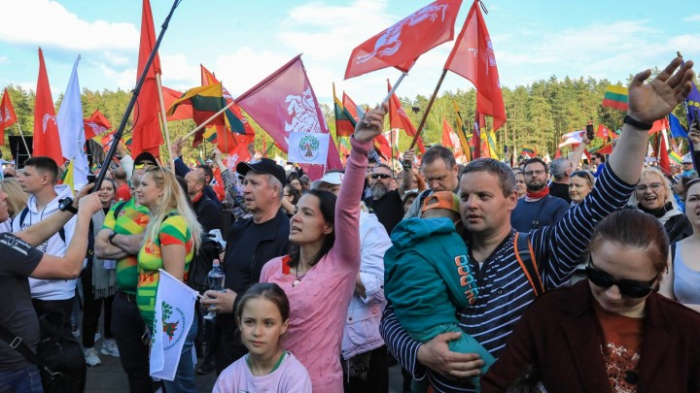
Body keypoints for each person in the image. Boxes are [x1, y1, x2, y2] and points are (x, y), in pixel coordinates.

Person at [379, 57, 696, 392]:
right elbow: (391, 315)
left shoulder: (539, 249)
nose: (471, 204)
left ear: (512, 199)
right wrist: (419, 352)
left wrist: (636, 125)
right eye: (466, 195)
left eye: (484, 196)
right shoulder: (436, 248)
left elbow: (605, 197)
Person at [482, 209, 700, 392]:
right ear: (589, 260)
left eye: (632, 287)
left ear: (661, 275)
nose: (612, 294)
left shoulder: (688, 329)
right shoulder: (549, 312)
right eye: (600, 278)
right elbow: (499, 383)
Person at [258, 105, 383, 392]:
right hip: (271, 384)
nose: (296, 217)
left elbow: (349, 208)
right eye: (296, 211)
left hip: (319, 385)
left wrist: (360, 147)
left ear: (328, 226)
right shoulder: (272, 268)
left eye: (308, 213)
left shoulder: (341, 266)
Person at [385, 191, 496, 392]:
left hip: (407, 324)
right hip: (438, 325)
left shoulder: (400, 240)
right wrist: (472, 297)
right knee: (494, 374)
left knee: (422, 377)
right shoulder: (449, 238)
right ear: (457, 221)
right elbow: (464, 293)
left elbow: (388, 286)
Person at [0, 192, 101, 393]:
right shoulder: (3, 249)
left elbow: (28, 237)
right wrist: (84, 215)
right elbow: (71, 268)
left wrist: (73, 207)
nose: (4, 195)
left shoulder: (4, 244)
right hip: (14, 368)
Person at [200, 157, 290, 374]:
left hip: (261, 350)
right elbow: (229, 274)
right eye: (244, 182)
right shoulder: (240, 227)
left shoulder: (288, 236)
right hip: (227, 340)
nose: (245, 190)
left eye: (254, 184)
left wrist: (237, 303)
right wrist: (213, 295)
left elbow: (287, 298)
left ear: (274, 190)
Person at [311, 171, 392, 392]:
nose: (328, 199)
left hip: (360, 347)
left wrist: (339, 263)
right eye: (323, 193)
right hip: (321, 343)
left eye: (335, 191)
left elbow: (381, 286)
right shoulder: (313, 230)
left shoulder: (368, 227)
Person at [134, 165, 202, 392]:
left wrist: (163, 332)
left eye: (144, 184)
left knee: (179, 387)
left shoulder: (172, 224)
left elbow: (174, 284)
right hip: (161, 324)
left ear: (161, 190)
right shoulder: (159, 222)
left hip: (170, 325)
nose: (138, 189)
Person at [94, 151, 156, 393]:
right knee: (133, 367)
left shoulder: (163, 212)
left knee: (161, 368)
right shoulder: (119, 208)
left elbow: (146, 245)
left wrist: (114, 238)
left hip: (154, 300)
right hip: (124, 300)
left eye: (149, 167)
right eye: (139, 166)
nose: (142, 170)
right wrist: (136, 245)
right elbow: (100, 248)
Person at [12, 157, 78, 330]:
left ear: (45, 179)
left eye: (27, 174)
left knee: (54, 353)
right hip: (25, 297)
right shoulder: (23, 214)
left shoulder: (71, 212)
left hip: (56, 298)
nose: (20, 178)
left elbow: (78, 259)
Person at [213, 283, 312, 393]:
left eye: (268, 323)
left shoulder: (295, 378)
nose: (257, 332)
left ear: (283, 326)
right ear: (239, 322)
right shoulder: (228, 378)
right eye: (249, 322)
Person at [659, 129, 700, 313]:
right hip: (687, 339)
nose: (699, 204)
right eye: (694, 199)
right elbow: (663, 304)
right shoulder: (672, 250)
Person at [82, 178, 119, 367]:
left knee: (112, 309)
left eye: (109, 189)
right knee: (92, 311)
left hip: (115, 265)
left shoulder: (120, 210)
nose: (105, 192)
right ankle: (88, 348)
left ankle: (109, 343)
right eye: (101, 189)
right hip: (93, 268)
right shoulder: (89, 211)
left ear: (114, 191)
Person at [628, 166, 692, 243]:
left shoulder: (682, 222)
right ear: (636, 194)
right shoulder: (627, 221)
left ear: (665, 190)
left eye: (655, 186)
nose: (648, 191)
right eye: (642, 187)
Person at [511, 157, 569, 231]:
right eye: (529, 173)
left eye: (538, 172)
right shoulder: (514, 205)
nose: (534, 175)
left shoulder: (560, 205)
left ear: (547, 175)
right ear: (524, 176)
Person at [404, 145, 460, 219]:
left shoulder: (469, 199)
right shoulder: (422, 198)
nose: (434, 185)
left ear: (455, 170)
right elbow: (404, 227)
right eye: (429, 180)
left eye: (440, 178)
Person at [364, 163, 406, 235]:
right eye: (375, 176)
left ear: (391, 180)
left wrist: (407, 165)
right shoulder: (365, 202)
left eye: (383, 176)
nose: (379, 178)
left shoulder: (396, 196)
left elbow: (407, 184)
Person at [184, 168, 224, 233]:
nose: (184, 183)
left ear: (198, 186)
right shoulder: (185, 203)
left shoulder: (209, 207)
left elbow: (202, 233)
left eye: (187, 182)